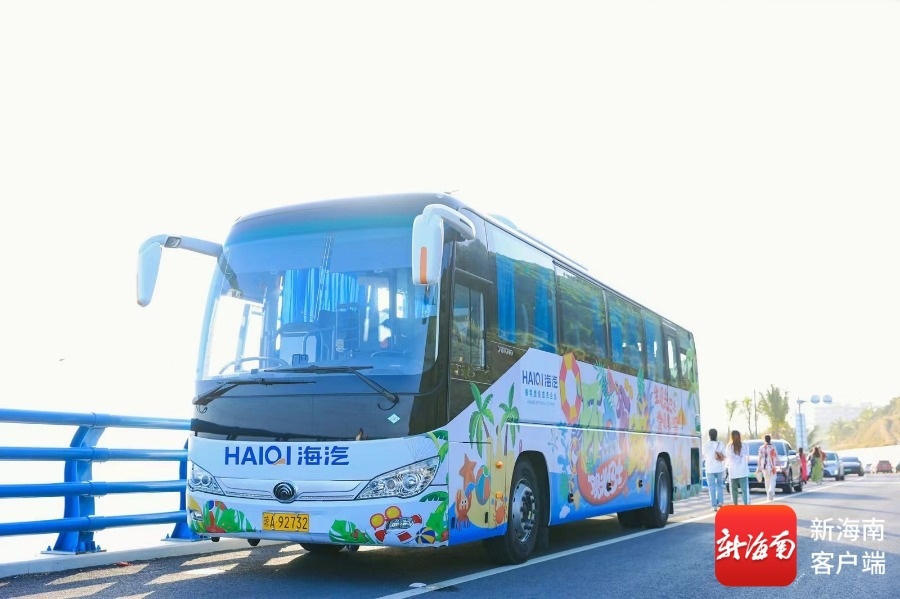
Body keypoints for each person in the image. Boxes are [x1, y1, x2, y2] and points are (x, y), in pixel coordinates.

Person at [702, 428, 726, 511]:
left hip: (710, 469)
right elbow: (724, 456)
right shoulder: (721, 444)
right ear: (716, 435)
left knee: (711, 487)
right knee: (719, 486)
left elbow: (703, 457)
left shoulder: (705, 445)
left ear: (709, 435)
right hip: (719, 468)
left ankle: (714, 505)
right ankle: (720, 502)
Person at [725, 429, 750, 505]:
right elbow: (747, 457)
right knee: (744, 490)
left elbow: (727, 458)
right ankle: (746, 505)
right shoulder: (745, 445)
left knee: (734, 491)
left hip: (733, 472)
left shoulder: (729, 446)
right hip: (743, 471)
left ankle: (735, 505)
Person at [757, 434, 779, 501]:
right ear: (770, 439)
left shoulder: (762, 448)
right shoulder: (773, 447)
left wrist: (758, 467)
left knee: (767, 482)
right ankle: (771, 490)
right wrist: (779, 465)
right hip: (772, 467)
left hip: (764, 467)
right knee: (773, 480)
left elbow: (759, 458)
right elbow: (776, 456)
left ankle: (768, 495)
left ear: (764, 440)